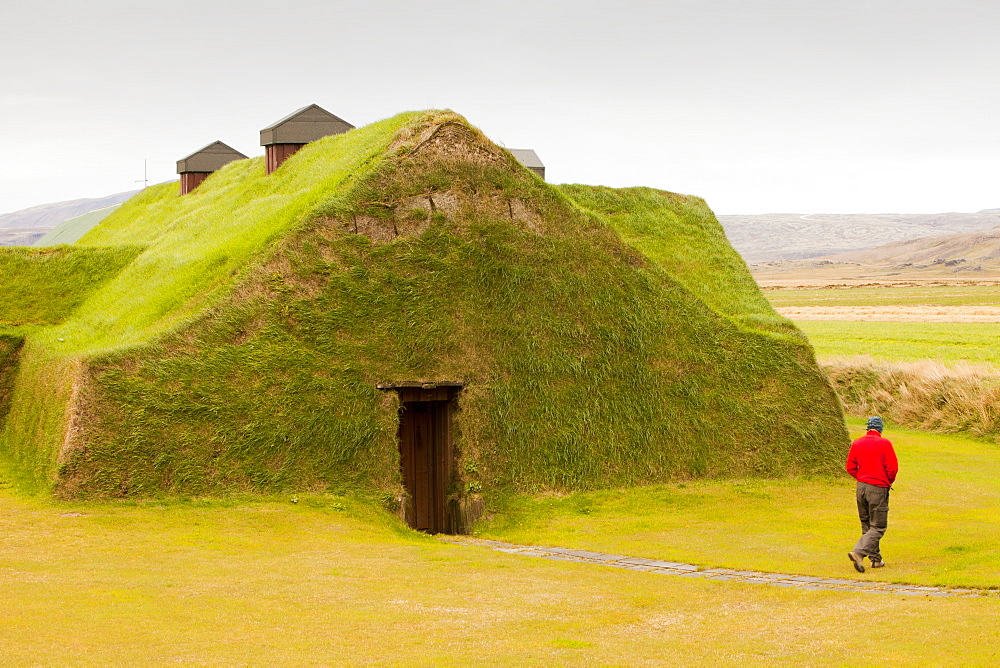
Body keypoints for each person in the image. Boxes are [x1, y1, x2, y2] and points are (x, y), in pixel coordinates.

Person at [845, 416, 898, 573]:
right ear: (880, 429)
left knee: (867, 524)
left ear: (867, 428)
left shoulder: (857, 443)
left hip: (861, 487)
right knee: (878, 526)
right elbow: (892, 468)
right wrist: (886, 481)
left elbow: (850, 467)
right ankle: (858, 553)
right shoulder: (884, 444)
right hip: (877, 487)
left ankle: (875, 560)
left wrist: (861, 478)